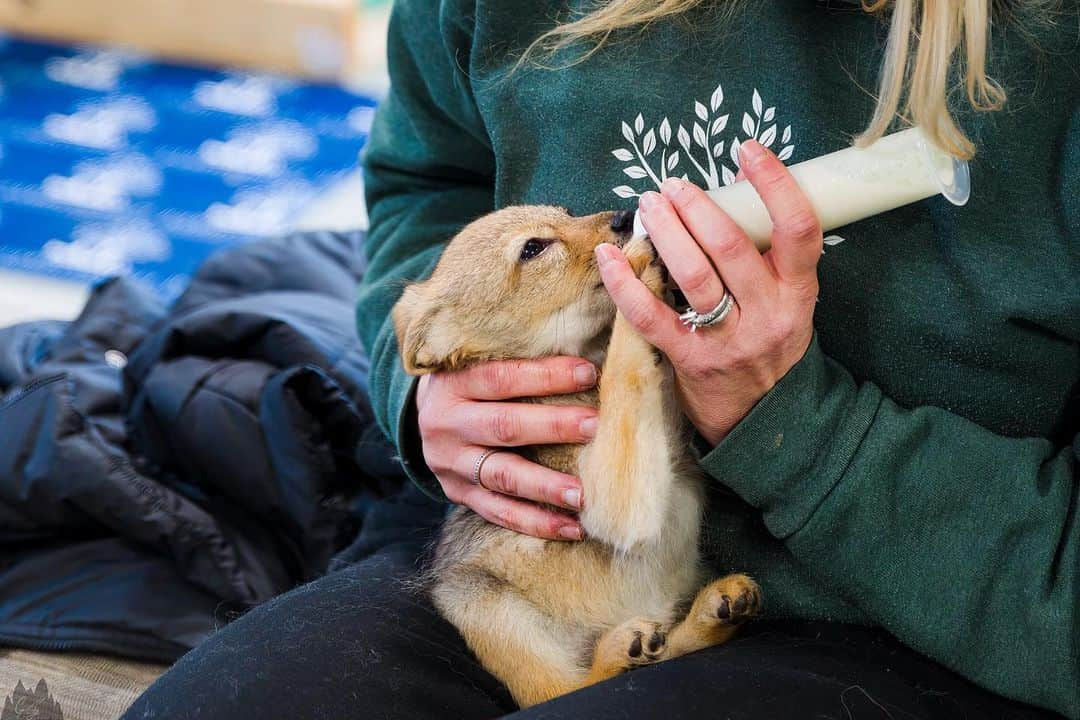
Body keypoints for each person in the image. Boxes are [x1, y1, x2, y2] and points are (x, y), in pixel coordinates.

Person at [123, 0, 1079, 718]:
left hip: (914, 618)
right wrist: (433, 383)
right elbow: (428, 186)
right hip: (530, 556)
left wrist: (803, 431)